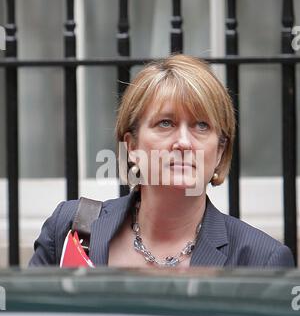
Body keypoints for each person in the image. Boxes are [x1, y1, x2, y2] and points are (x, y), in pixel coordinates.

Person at [29, 54, 294, 268]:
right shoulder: (70, 228)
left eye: (202, 126)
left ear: (220, 152)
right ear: (131, 146)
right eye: (165, 123)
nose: (183, 142)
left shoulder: (260, 260)